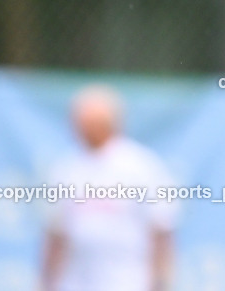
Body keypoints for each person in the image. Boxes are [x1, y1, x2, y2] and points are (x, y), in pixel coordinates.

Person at [41, 85, 176, 291]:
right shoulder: (67, 170)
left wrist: (160, 284)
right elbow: (56, 236)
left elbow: (160, 229)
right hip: (76, 283)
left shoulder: (141, 167)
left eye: (91, 122)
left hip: (129, 282)